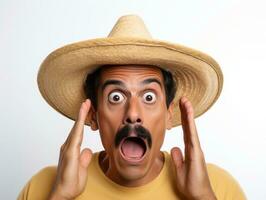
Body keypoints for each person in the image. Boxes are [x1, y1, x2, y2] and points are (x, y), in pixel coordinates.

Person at [18, 15, 246, 200]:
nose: (133, 114)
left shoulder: (220, 188)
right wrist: (60, 196)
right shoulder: (43, 187)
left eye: (148, 97)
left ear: (169, 114)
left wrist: (204, 196)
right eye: (116, 97)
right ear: (94, 116)